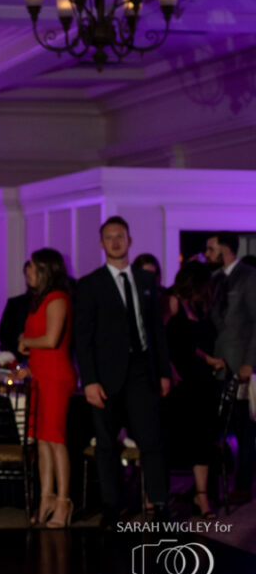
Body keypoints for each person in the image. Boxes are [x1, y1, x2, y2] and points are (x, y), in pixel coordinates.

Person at [75, 216, 171, 529]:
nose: (116, 241)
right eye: (109, 237)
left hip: (143, 369)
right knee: (106, 444)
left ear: (129, 240)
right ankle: (112, 506)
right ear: (102, 244)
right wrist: (88, 380)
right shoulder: (91, 284)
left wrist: (164, 371)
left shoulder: (146, 281)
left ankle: (158, 503)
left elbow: (157, 330)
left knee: (151, 439)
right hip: (105, 375)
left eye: (121, 236)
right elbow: (83, 338)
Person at [17, 248, 76, 528]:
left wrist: (26, 341)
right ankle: (46, 497)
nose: (27, 271)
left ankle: (64, 500)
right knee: (42, 442)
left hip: (56, 378)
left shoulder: (57, 299)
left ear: (46, 270)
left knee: (56, 440)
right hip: (40, 376)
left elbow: (52, 340)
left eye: (32, 267)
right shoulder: (39, 301)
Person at [164, 261, 223, 519]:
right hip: (182, 383)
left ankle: (202, 497)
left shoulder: (199, 309)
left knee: (203, 440)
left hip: (202, 384)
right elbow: (171, 343)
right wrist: (207, 359)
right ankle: (158, 496)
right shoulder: (172, 302)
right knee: (173, 440)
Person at [206, 231, 256, 504]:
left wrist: (249, 361)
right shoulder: (213, 280)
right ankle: (213, 485)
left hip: (240, 366)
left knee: (244, 429)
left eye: (210, 248)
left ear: (225, 249)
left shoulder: (248, 276)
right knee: (215, 429)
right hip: (216, 365)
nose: (206, 253)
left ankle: (243, 484)